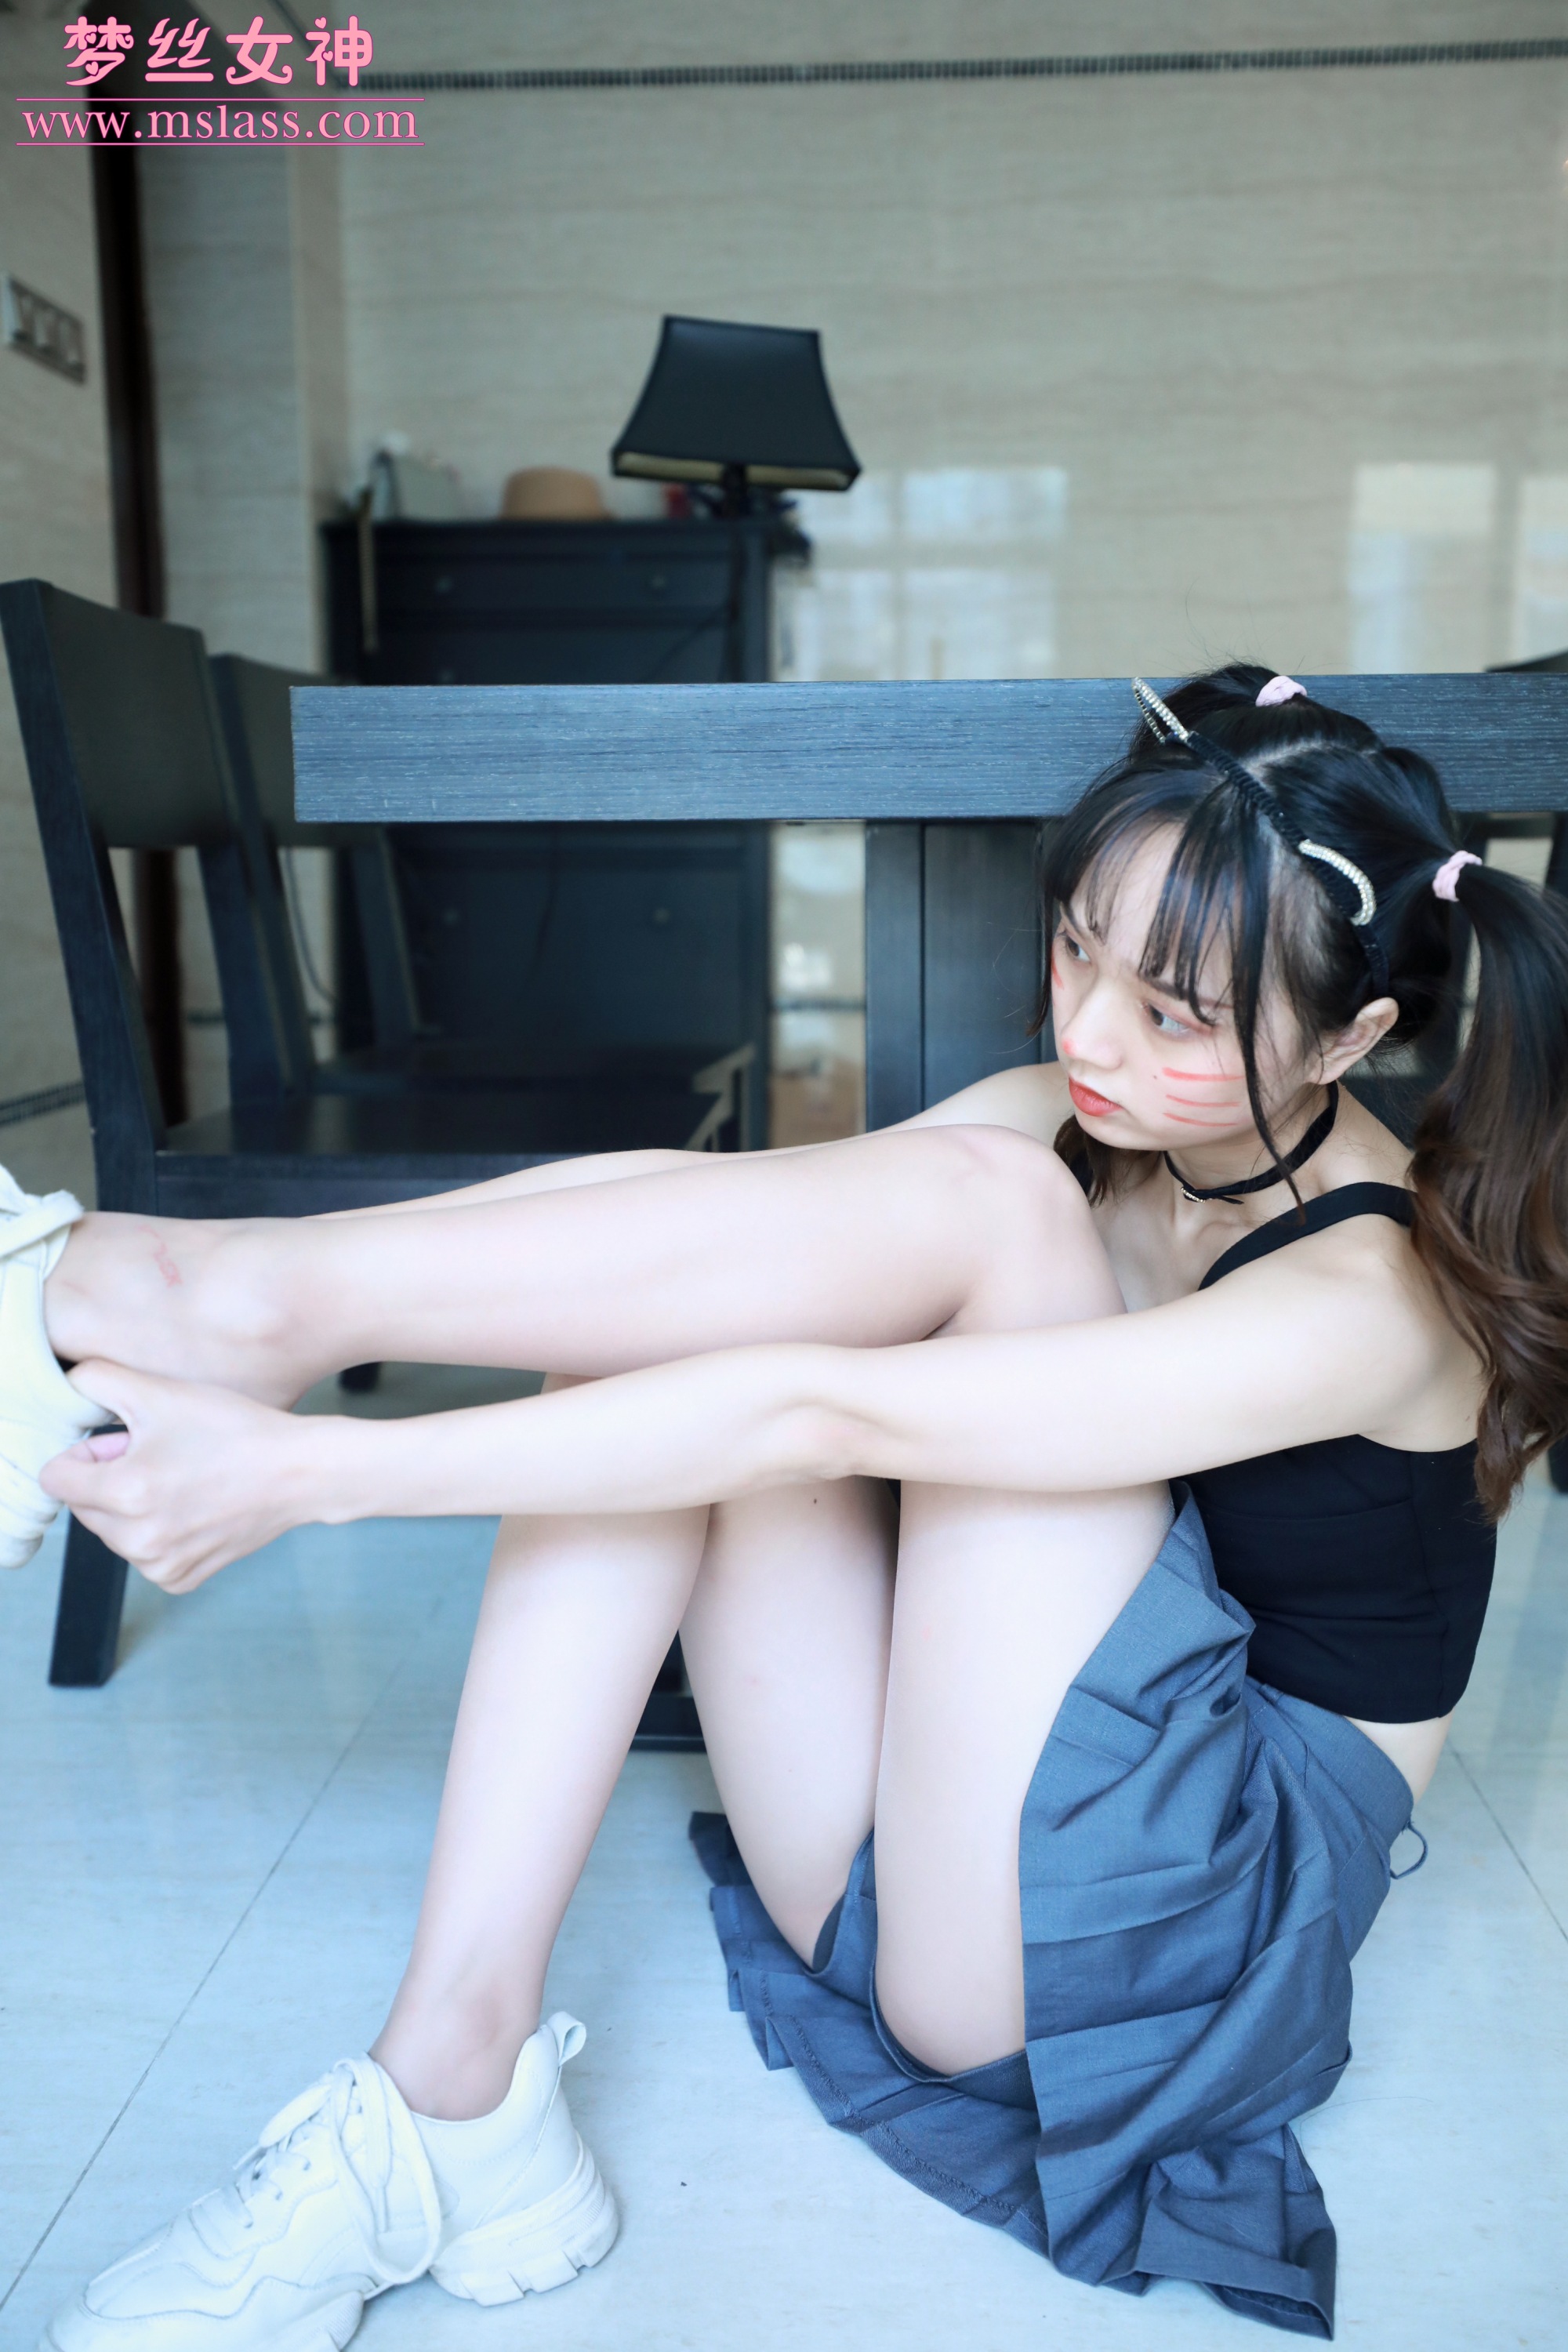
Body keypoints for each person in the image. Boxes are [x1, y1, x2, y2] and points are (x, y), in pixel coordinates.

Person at [8, 667, 1566, 2350]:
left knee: (950, 1230)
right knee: (694, 1291)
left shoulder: (1372, 1295)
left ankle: (143, 1295)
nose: (1089, 1035)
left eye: (1176, 1015)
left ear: (1352, 1039)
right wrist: (295, 1312)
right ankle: (457, 2094)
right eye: (1076, 950)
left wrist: (314, 1475)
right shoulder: (1088, 1132)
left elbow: (828, 1408)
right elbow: (707, 1223)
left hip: (1150, 1957)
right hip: (935, 1881)